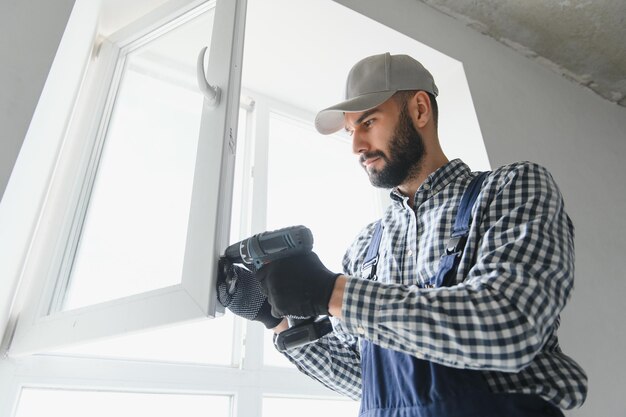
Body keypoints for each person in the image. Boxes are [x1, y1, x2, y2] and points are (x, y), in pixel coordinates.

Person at [218, 52, 587, 416]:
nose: (356, 147)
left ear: (420, 110)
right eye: (350, 132)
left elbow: (509, 325)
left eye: (368, 122)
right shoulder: (365, 249)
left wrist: (331, 292)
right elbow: (368, 381)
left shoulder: (510, 189)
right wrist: (277, 318)